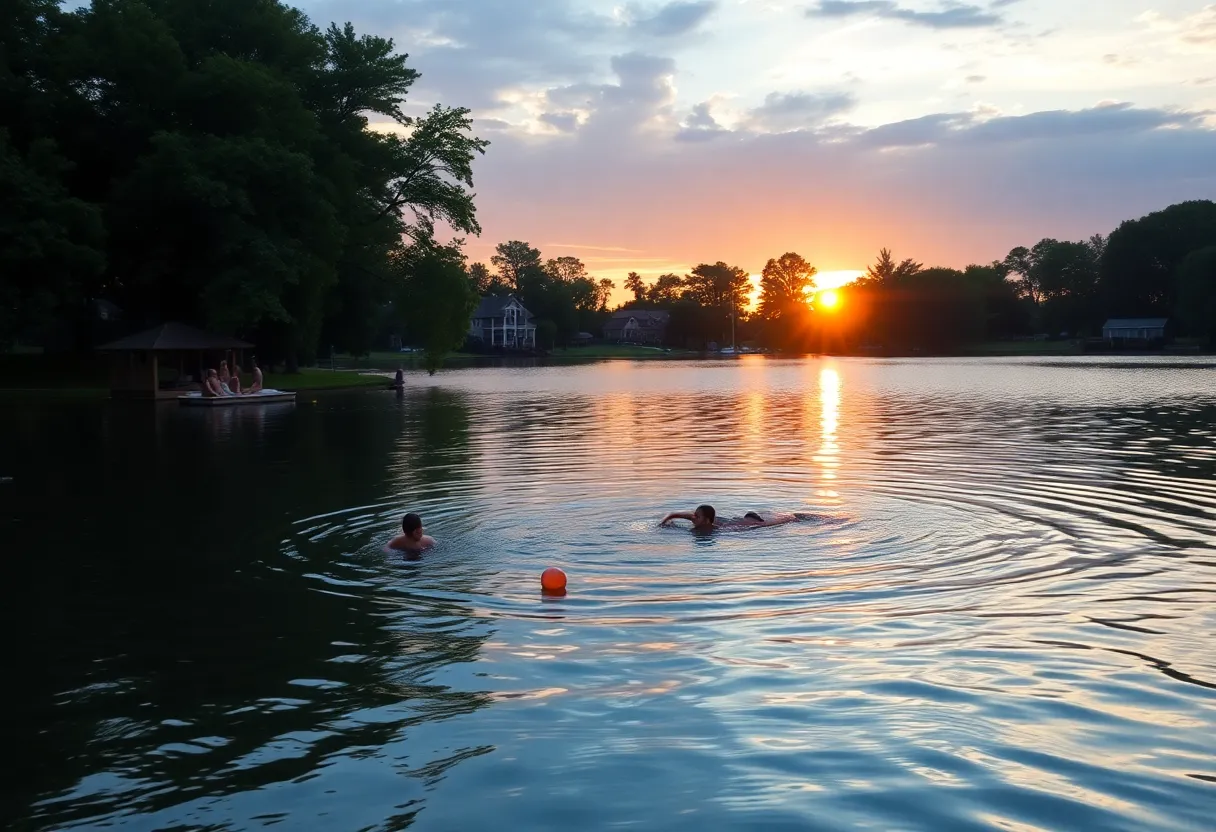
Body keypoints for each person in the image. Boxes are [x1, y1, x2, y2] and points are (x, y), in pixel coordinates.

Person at [659, 504, 798, 531]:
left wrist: (790, 519)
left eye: (697, 516)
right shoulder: (696, 519)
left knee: (764, 524)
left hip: (752, 520)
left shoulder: (720, 529)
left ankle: (791, 516)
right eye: (695, 514)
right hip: (743, 518)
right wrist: (665, 522)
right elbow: (674, 514)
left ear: (707, 520)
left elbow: (760, 526)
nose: (693, 517)